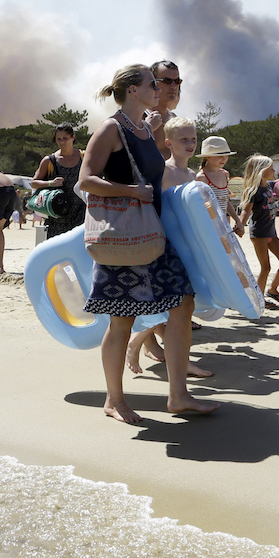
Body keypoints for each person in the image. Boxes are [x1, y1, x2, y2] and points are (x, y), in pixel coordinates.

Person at [80, 65, 215, 423]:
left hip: (153, 234)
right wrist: (130, 192)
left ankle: (178, 396)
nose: (158, 88)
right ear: (132, 90)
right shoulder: (111, 128)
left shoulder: (143, 128)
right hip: (123, 238)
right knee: (121, 319)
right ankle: (114, 400)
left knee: (183, 303)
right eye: (152, 84)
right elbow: (86, 179)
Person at [125, 117, 213, 378]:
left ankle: (138, 343)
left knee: (180, 306)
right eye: (184, 139)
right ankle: (167, 356)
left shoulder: (192, 175)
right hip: (164, 247)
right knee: (175, 306)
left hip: (186, 247)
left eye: (193, 139)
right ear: (168, 143)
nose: (190, 144)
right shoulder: (164, 171)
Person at [236, 154, 279, 306]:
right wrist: (241, 225)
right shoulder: (253, 191)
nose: (274, 170)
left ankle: (273, 290)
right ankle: (259, 299)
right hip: (259, 234)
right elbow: (246, 211)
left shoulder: (269, 186)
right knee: (265, 268)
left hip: (271, 233)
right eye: (271, 168)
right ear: (261, 171)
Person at [30, 123, 86, 239]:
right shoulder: (49, 161)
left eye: (65, 138)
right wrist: (50, 183)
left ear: (73, 137)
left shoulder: (84, 157)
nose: (62, 142)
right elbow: (34, 183)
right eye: (58, 139)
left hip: (81, 214)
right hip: (56, 216)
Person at [195, 137, 240, 230]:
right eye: (219, 156)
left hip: (223, 223)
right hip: (208, 224)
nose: (224, 159)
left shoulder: (225, 174)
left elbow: (226, 200)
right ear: (208, 156)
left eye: (226, 155)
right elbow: (199, 204)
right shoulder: (202, 177)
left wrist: (237, 220)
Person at [149, 59, 182, 157]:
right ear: (153, 83)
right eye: (167, 81)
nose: (174, 86)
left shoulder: (174, 119)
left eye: (177, 81)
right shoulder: (141, 117)